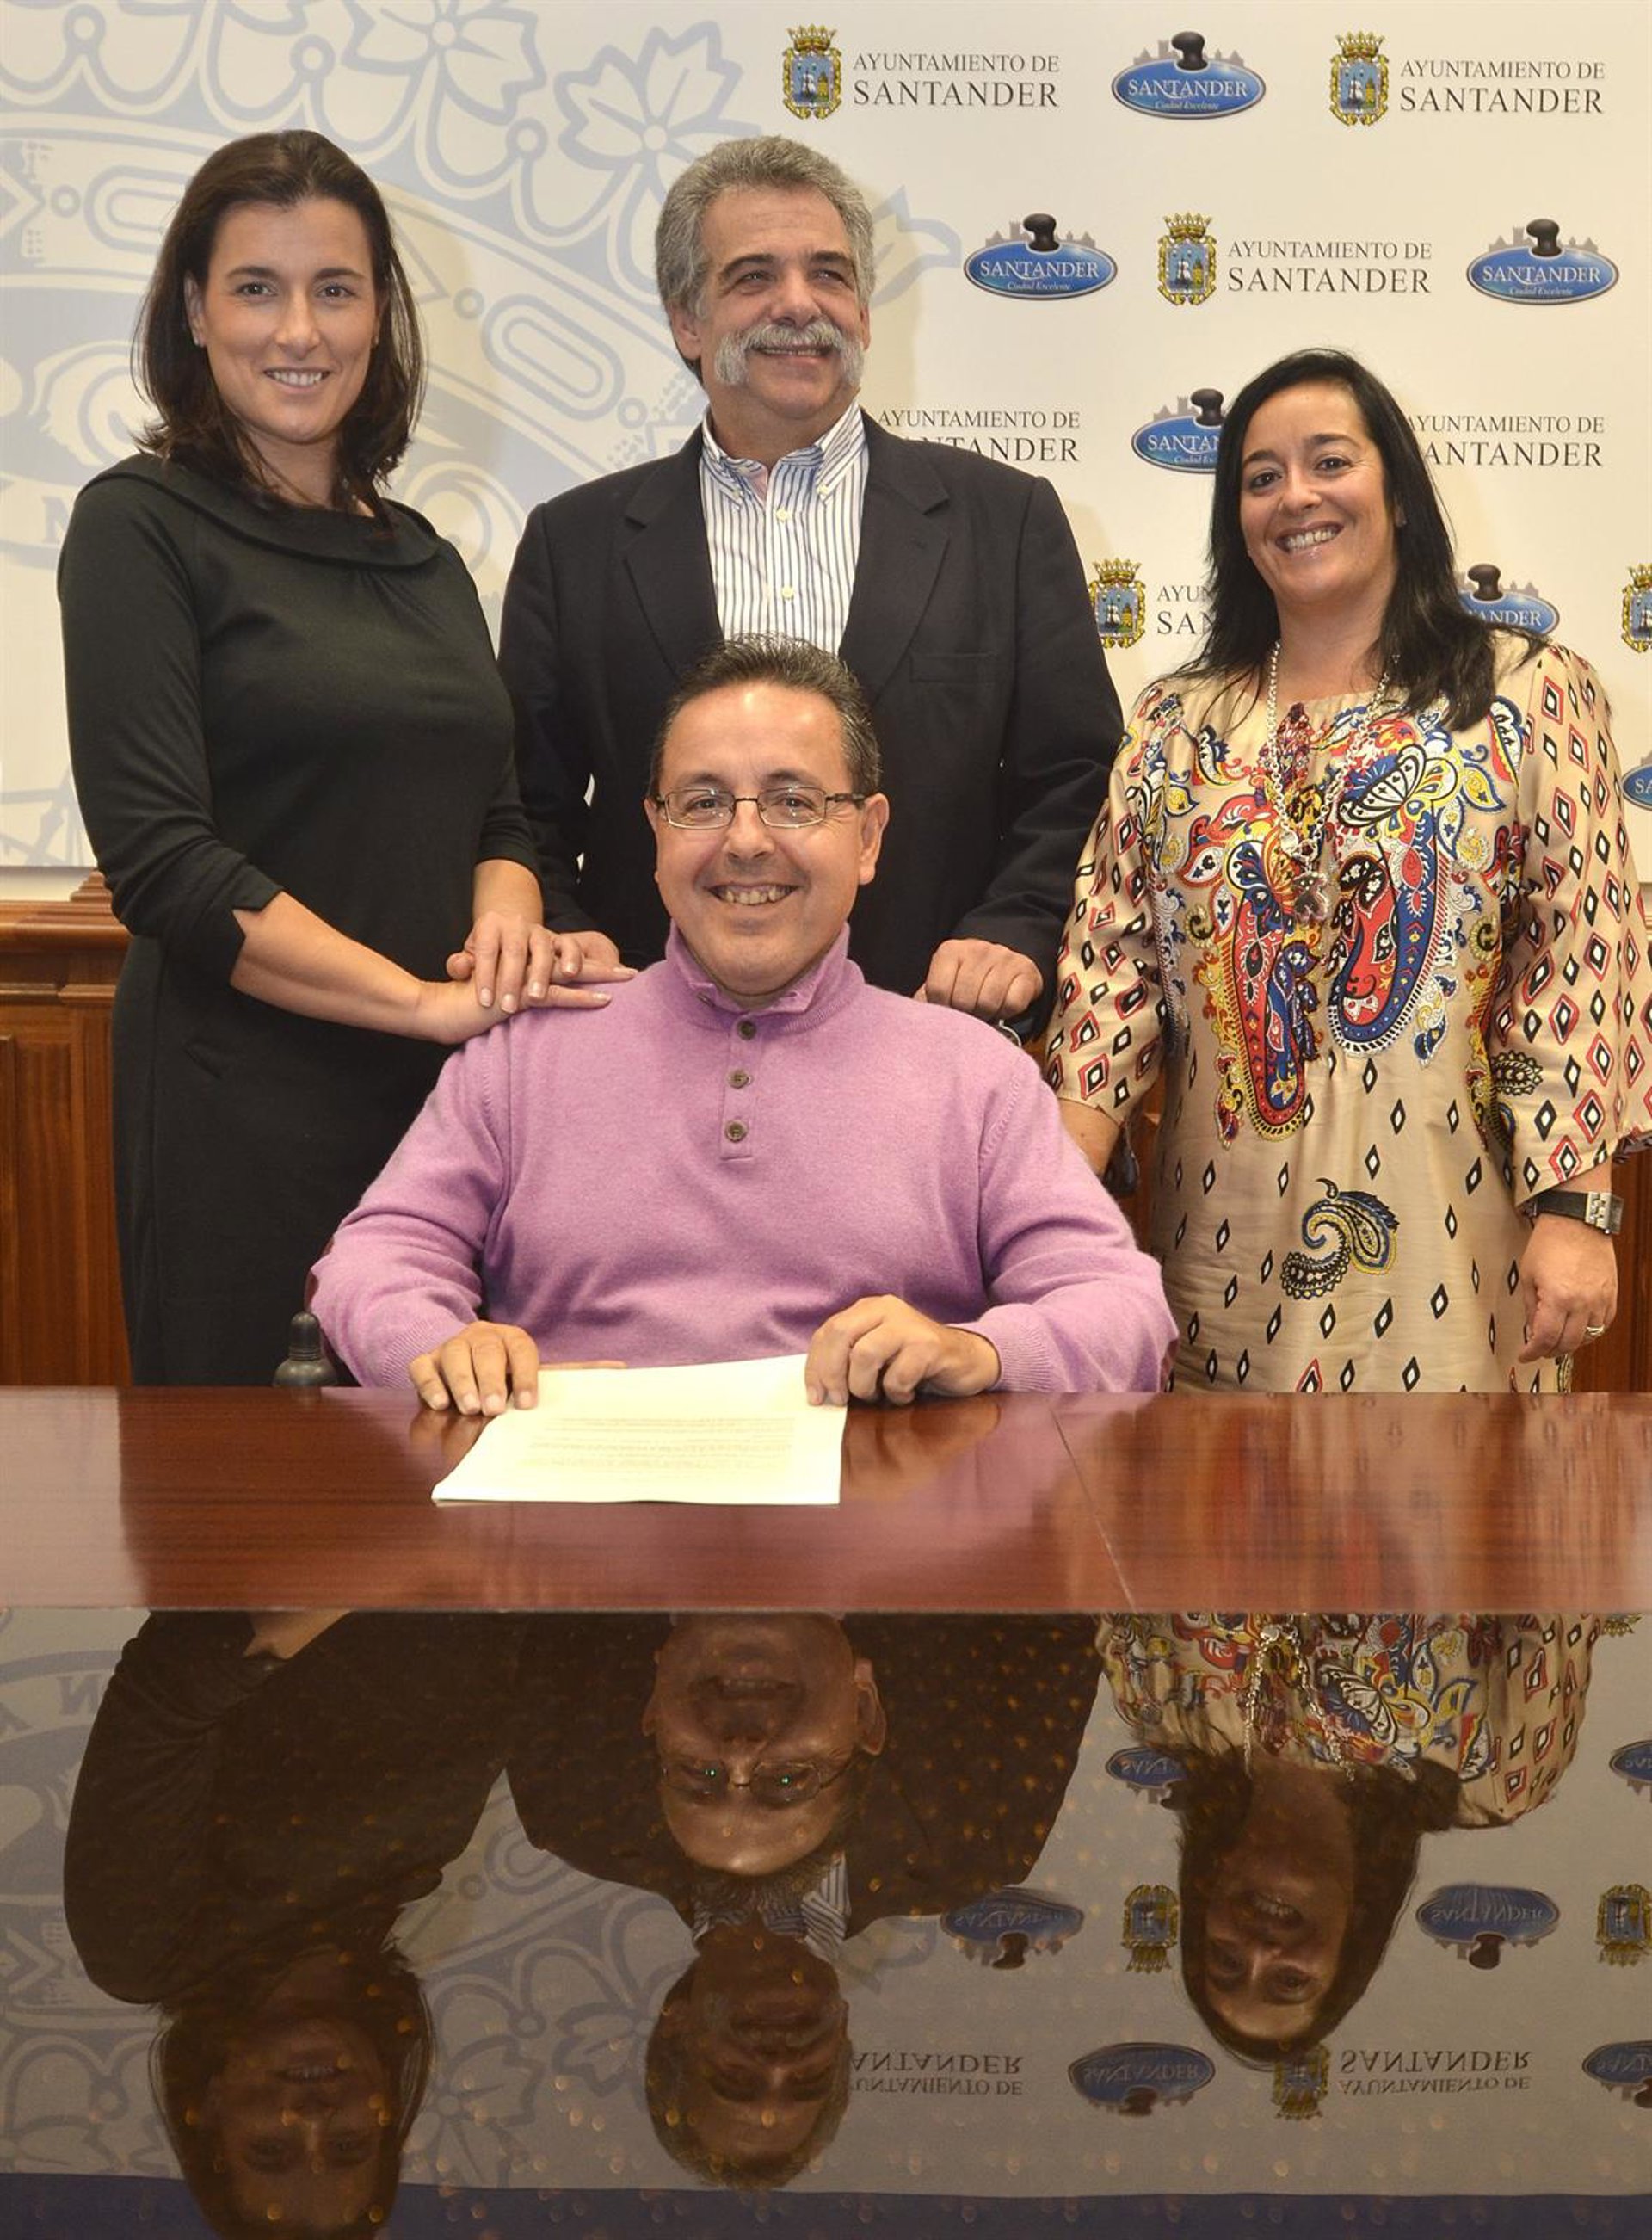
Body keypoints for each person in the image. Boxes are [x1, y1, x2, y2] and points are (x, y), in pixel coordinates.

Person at [58, 130, 626, 1385]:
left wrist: (508, 941)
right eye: (256, 288)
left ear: (381, 314)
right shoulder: (137, 526)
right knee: (264, 1495)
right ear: (194, 311)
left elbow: (497, 815)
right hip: (240, 1110)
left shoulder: (423, 555)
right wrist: (418, 1002)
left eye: (335, 289)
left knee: (455, 1472)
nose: (299, 331)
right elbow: (164, 864)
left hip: (451, 1110)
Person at [310, 636, 1173, 1408]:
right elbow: (372, 1259)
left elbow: (1122, 1308)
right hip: (565, 1512)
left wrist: (976, 1351)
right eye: (702, 802)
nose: (747, 840)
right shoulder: (526, 1050)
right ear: (654, 834)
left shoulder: (975, 1075)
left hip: (875, 1515)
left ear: (868, 838)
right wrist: (443, 1347)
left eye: (794, 802)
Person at [1045, 347, 1651, 1393]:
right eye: (1262, 476)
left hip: (1461, 1254)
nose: (1297, 496)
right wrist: (1051, 1202)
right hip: (1219, 1258)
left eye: (1330, 461)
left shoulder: (1522, 691)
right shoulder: (1177, 723)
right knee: (1218, 1495)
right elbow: (1112, 971)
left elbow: (1581, 955)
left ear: (1399, 493)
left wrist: (1578, 1209)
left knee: (1457, 1498)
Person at [500, 134, 1120, 1024]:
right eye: (753, 276)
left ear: (863, 312)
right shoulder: (574, 545)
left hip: (929, 1030)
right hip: (652, 1034)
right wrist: (565, 929)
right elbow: (524, 803)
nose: (799, 303)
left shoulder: (1005, 521)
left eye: (828, 274)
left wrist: (1013, 925)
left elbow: (1076, 773)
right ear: (687, 321)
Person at [1100, 1612, 1604, 2059]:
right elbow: (1573, 1564)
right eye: (1290, 1981)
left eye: (1226, 1961)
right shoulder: (1495, 1774)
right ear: (1353, 1946)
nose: (1260, 1952)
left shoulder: (1159, 1701)